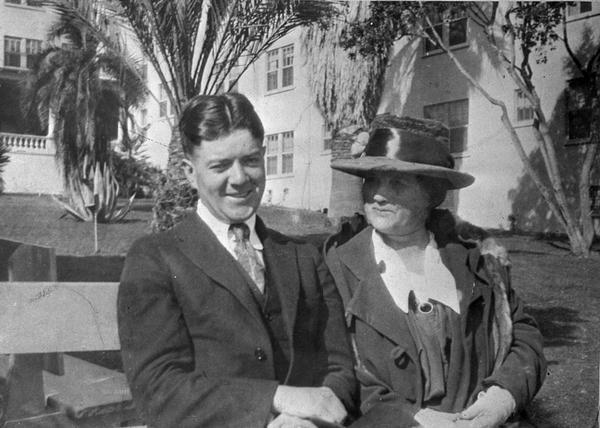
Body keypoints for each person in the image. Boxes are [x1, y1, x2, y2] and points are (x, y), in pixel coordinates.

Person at [118, 93, 356, 428]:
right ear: (189, 172)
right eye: (219, 166)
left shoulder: (305, 258)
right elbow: (156, 391)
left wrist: (309, 419)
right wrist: (277, 398)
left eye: (250, 160)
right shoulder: (156, 258)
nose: (240, 178)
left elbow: (339, 367)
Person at [324, 114, 546, 428]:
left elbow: (524, 335)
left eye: (397, 182)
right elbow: (332, 369)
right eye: (371, 179)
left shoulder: (478, 262)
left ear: (432, 192)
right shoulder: (335, 267)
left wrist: (504, 394)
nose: (377, 194)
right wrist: (410, 419)